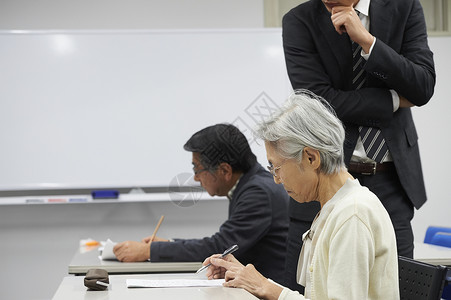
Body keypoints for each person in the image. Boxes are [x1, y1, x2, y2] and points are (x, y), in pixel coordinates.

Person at [203, 90, 399, 299]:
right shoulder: (335, 207)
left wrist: (266, 288)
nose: (277, 179)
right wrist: (249, 279)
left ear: (311, 158)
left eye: (276, 168)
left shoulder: (352, 214)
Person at [282, 0, 435, 259]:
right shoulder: (300, 20)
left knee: (396, 286)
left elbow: (422, 86)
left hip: (390, 181)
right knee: (309, 288)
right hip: (324, 180)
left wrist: (368, 42)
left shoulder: (404, 7)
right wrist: (394, 100)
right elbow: (318, 100)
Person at [113, 123, 290, 281]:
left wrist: (149, 251)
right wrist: (168, 245)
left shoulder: (258, 192)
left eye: (197, 169)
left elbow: (220, 246)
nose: (196, 178)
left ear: (224, 170)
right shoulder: (251, 183)